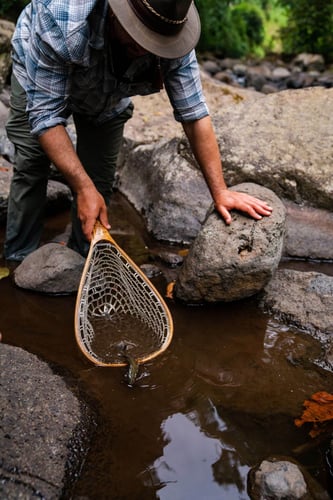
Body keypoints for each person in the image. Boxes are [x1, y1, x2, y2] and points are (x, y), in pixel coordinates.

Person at [4, 0, 272, 261]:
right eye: (139, 36)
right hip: (38, 69)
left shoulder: (172, 35)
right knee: (32, 162)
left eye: (155, 42)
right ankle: (18, 257)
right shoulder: (61, 18)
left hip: (107, 96)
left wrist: (220, 191)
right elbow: (46, 116)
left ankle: (80, 259)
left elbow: (195, 116)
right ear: (116, 11)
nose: (145, 49)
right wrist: (81, 186)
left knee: (99, 182)